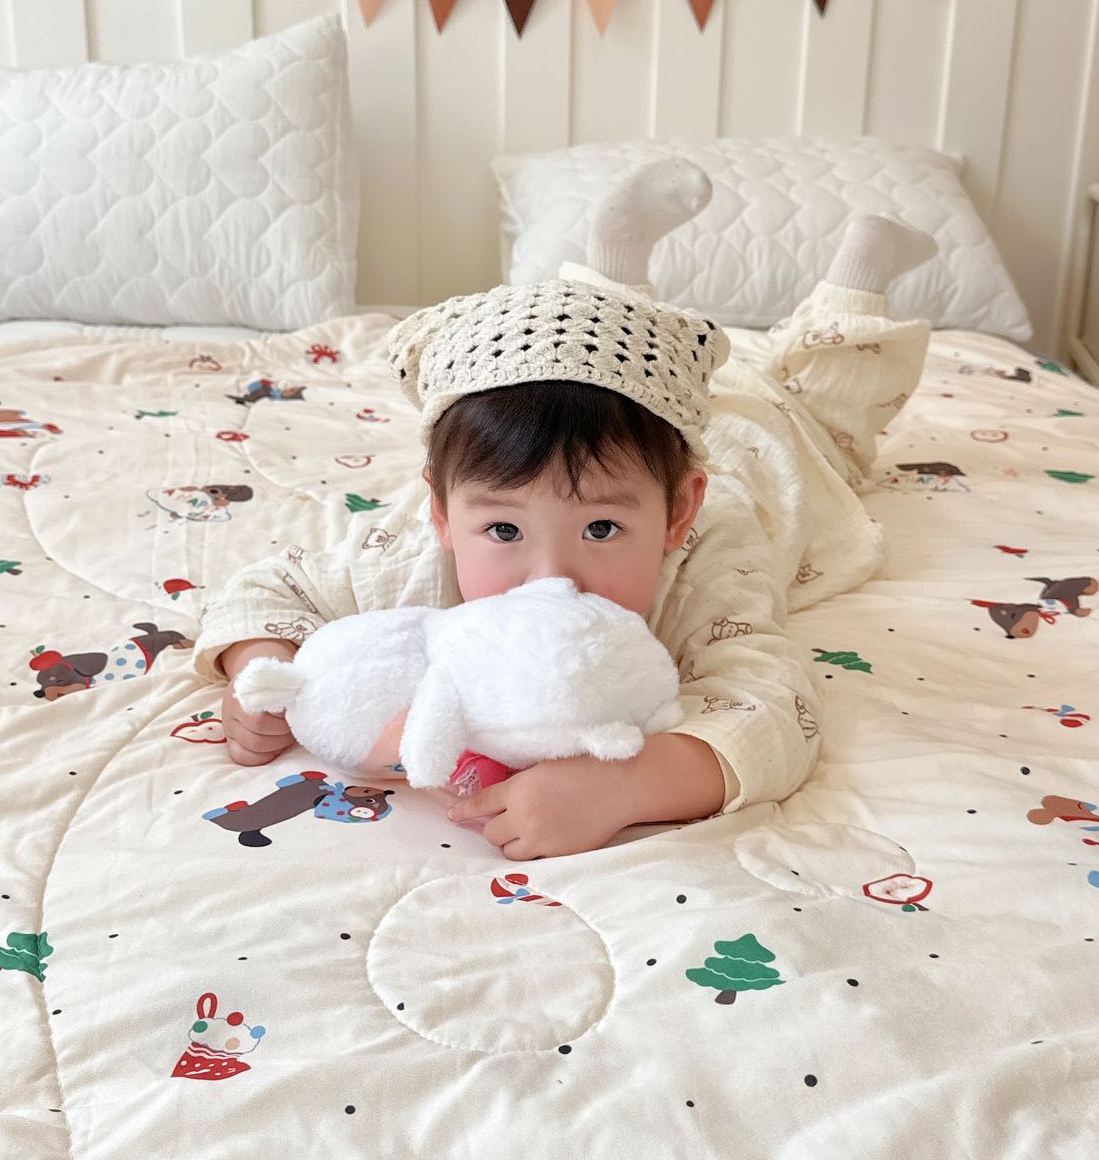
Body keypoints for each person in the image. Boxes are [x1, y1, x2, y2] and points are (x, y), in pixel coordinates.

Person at [192, 159, 936, 860]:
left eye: (603, 528)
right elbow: (274, 586)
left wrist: (624, 785)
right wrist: (260, 672)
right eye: (503, 530)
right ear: (441, 513)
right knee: (597, 364)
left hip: (764, 454)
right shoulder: (416, 555)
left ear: (680, 514)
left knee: (822, 418)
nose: (552, 575)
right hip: (640, 420)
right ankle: (613, 265)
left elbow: (774, 707)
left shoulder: (707, 565)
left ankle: (859, 282)